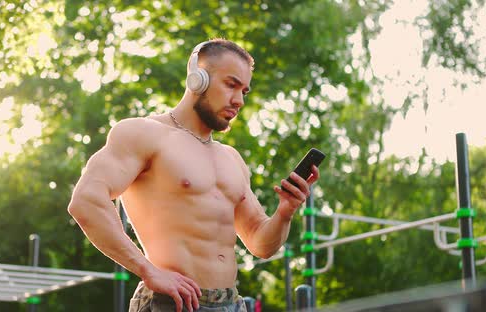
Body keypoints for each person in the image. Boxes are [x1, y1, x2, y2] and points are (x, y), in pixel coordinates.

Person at [67, 38, 320, 312]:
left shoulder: (231, 158)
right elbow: (86, 201)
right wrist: (147, 269)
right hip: (173, 302)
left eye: (244, 91)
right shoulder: (143, 134)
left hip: (232, 303)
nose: (238, 100)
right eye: (231, 84)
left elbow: (260, 243)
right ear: (197, 79)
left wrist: (285, 211)